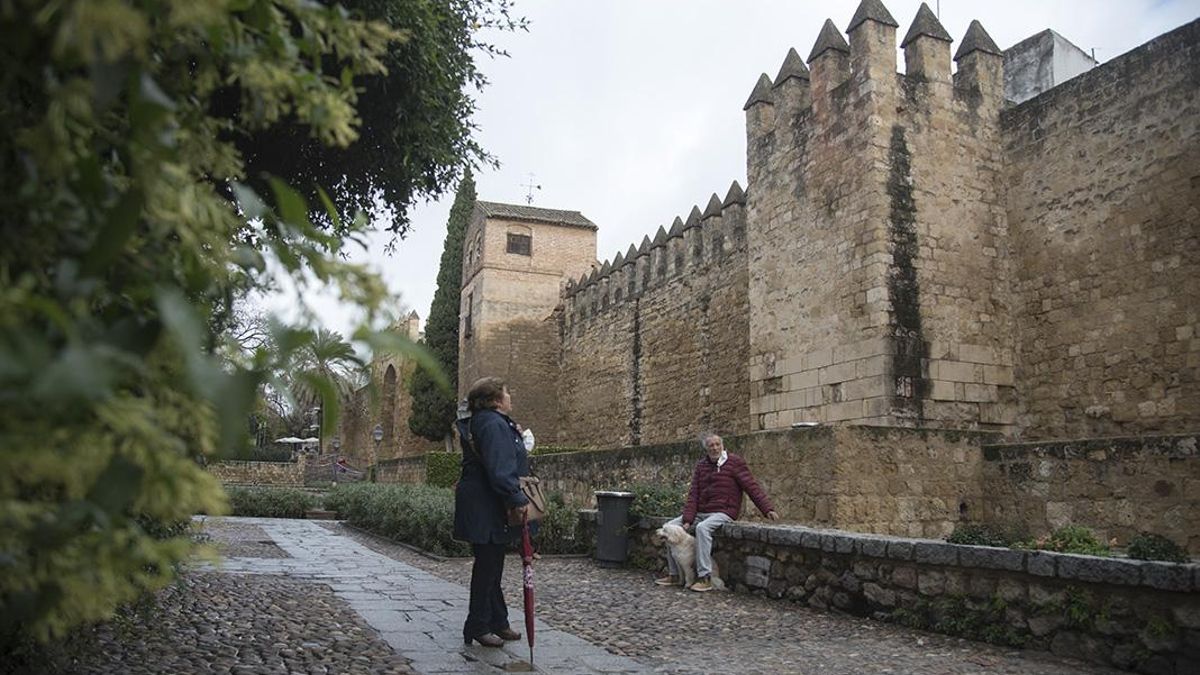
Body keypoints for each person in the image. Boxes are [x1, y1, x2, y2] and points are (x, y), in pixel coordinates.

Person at [453, 377, 530, 647]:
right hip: (486, 503)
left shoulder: (485, 422)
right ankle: (478, 625)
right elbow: (500, 468)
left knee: (492, 564)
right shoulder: (493, 424)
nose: (510, 398)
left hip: (482, 500)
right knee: (487, 566)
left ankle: (498, 621)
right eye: (507, 393)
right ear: (496, 400)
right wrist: (517, 498)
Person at [656, 432, 779, 592]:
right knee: (669, 526)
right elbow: (694, 494)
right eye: (711, 446)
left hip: (724, 511)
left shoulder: (734, 462)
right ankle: (674, 574)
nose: (714, 448)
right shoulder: (702, 466)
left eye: (717, 445)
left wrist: (767, 509)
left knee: (702, 528)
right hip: (702, 511)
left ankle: (705, 576)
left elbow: (751, 486)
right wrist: (687, 519)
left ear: (722, 446)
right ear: (706, 449)